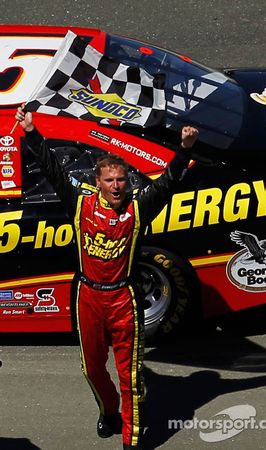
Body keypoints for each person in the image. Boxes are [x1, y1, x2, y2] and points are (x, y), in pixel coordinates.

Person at [15, 106, 198, 450]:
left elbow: (168, 182)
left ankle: (131, 439)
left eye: (121, 180)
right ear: (97, 182)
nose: (116, 186)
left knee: (130, 375)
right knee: (92, 369)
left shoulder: (138, 207)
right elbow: (53, 169)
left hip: (124, 299)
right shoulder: (80, 203)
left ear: (127, 181)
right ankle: (110, 411)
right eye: (109, 180)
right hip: (88, 297)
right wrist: (30, 131)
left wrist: (184, 150)